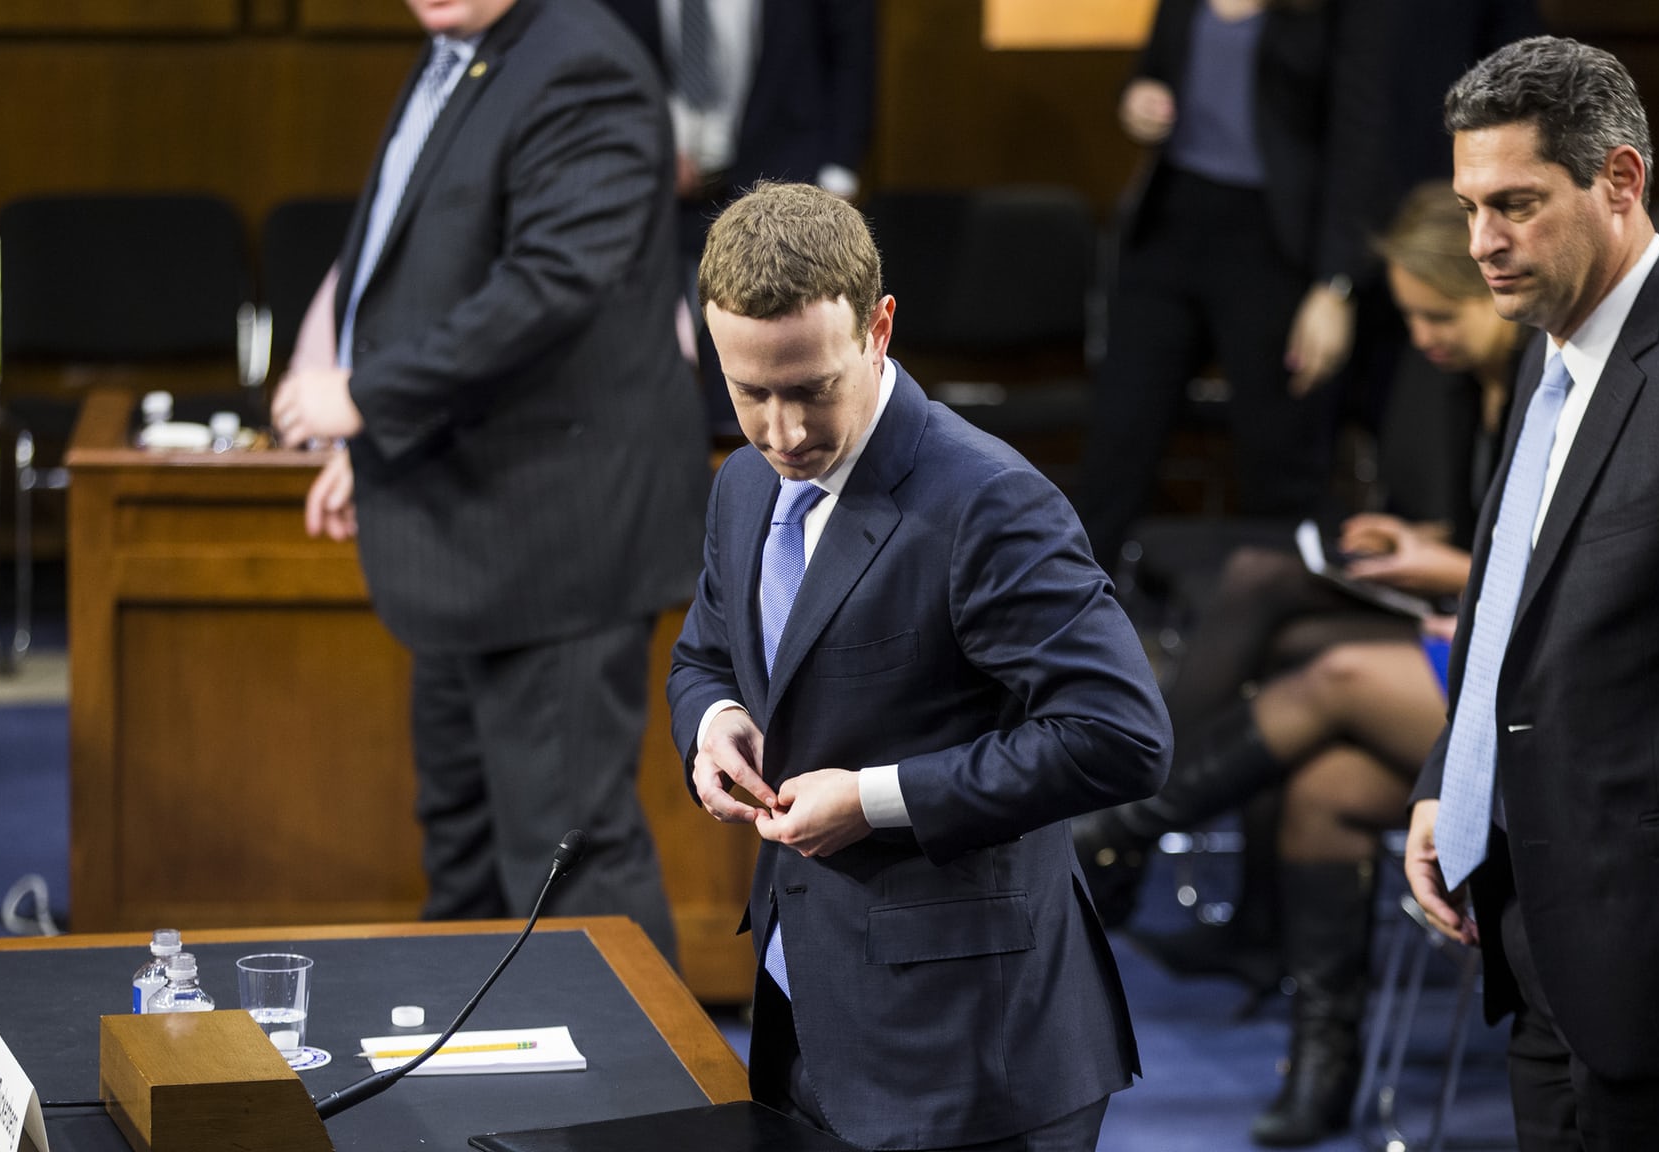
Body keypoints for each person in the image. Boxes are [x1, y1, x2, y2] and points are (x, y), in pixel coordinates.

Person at [669, 182, 1172, 1150]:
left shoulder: (987, 501)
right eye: (749, 394)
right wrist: (715, 720)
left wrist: (874, 797)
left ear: (879, 327)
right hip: (809, 1015)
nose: (781, 433)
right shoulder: (741, 486)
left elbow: (1121, 739)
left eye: (811, 389)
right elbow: (703, 655)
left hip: (972, 1051)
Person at [1075, 179, 1522, 1146]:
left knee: (1325, 675)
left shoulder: (1545, 384)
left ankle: (1120, 827)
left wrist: (1443, 568)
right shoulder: (1460, 385)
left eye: (1437, 314)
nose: (1424, 335)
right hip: (1467, 646)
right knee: (1321, 777)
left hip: (1526, 696)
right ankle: (1325, 1060)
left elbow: (1537, 563)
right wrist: (1428, 550)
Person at [269, 0, 708, 960]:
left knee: (570, 868)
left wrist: (367, 396)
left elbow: (550, 286)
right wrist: (373, 440)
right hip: (464, 519)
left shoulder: (580, 62)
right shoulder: (459, 53)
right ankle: (467, 1101)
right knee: (465, 857)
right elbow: (421, 268)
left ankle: (638, 1111)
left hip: (553, 539)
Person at [1405, 36, 1659, 1150]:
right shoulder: (1552, 350)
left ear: (1620, 182)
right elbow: (1508, 607)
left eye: (1516, 205)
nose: (1481, 243)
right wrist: (1443, 781)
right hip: (1531, 928)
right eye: (1470, 205)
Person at [1078, 0, 1389, 560]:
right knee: (1117, 438)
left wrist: (1336, 282)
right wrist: (1138, 102)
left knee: (1278, 455)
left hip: (1274, 242)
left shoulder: (1335, 14)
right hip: (1169, 224)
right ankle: (1069, 609)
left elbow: (1361, 139)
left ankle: (1280, 613)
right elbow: (1151, 74)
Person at [598, 0, 878, 433]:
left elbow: (851, 51)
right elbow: (596, 66)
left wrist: (837, 174)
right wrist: (645, 153)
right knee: (640, 384)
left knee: (768, 377)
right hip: (648, 198)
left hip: (777, 187)